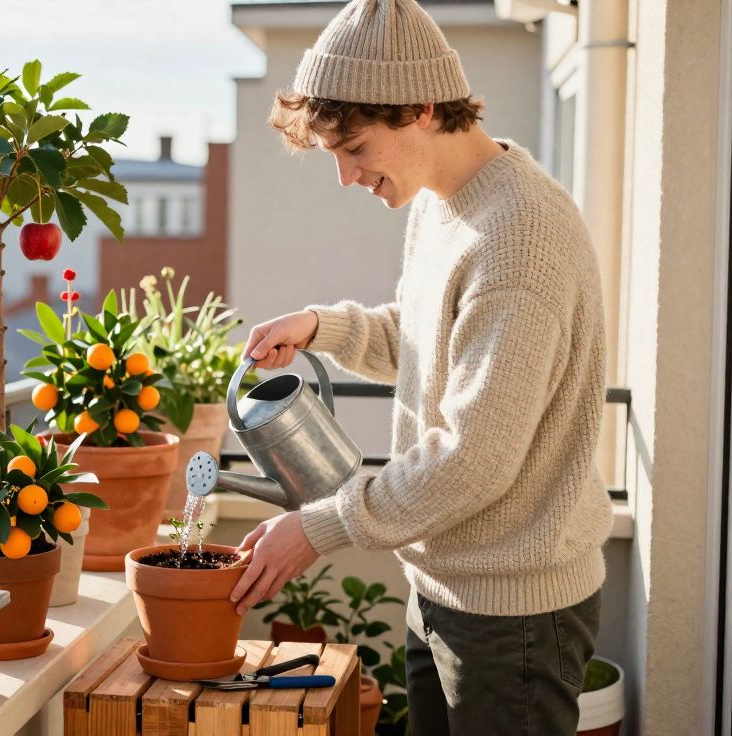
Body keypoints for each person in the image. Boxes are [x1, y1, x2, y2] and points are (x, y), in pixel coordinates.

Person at [224, 1, 614, 734]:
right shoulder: (445, 206)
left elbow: (473, 458)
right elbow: (430, 341)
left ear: (421, 109)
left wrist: (320, 527)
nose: (344, 176)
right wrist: (324, 327)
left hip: (513, 617)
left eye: (356, 148)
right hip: (444, 588)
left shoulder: (519, 237)